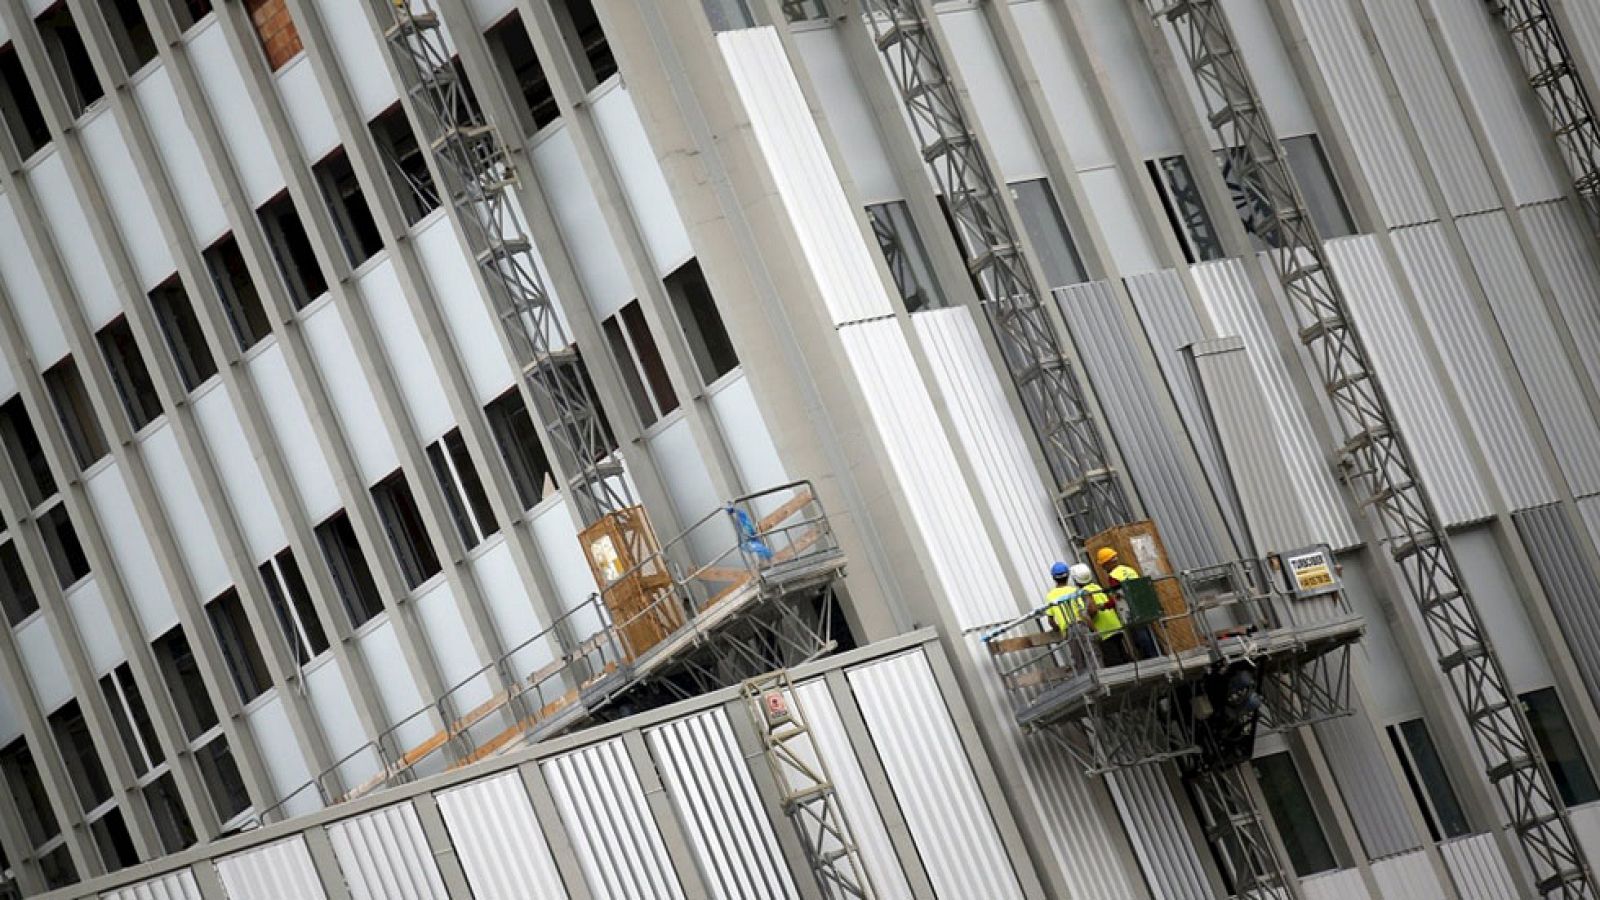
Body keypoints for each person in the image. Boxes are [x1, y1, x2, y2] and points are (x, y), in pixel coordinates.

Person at [1095, 547, 1160, 660]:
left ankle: (1151, 657)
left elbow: (1117, 597)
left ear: (1108, 563)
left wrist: (1104, 606)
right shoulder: (1129, 569)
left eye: (1103, 565)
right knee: (1148, 632)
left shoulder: (1114, 576)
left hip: (1130, 609)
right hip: (1143, 603)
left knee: (1140, 635)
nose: (1104, 568)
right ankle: (1156, 653)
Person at [1064, 563, 1133, 667]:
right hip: (1114, 625)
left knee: (1114, 660)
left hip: (1103, 630)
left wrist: (1088, 621)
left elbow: (1093, 610)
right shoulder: (1096, 586)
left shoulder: (1084, 592)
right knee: (1122, 653)